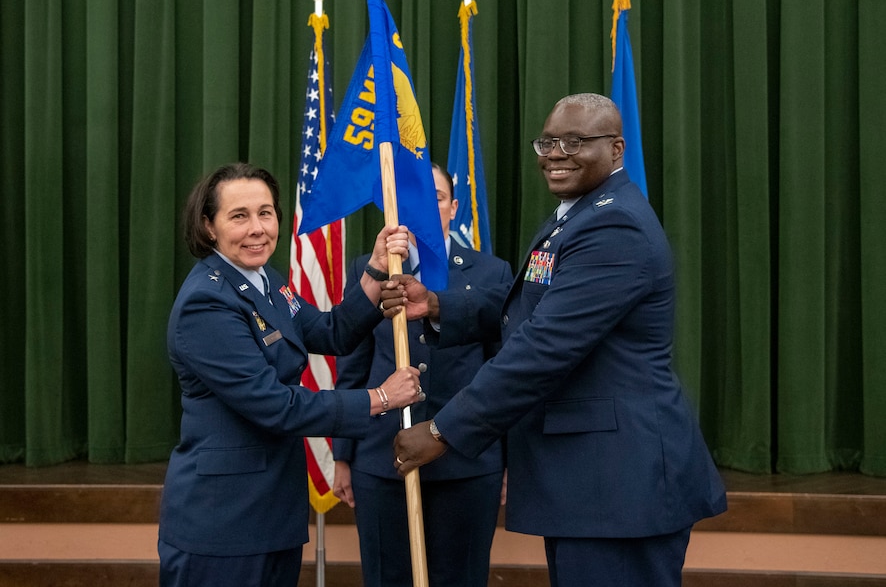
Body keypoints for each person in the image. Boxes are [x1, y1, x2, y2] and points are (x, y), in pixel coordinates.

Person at [389, 94, 727, 587]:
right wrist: (439, 306)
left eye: (575, 141)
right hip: (594, 485)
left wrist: (444, 431)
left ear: (616, 149)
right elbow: (532, 305)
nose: (555, 153)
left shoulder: (614, 225)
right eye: (547, 141)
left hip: (617, 486)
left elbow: (545, 346)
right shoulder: (580, 212)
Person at [158, 162, 423, 587]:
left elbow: (330, 332)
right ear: (209, 227)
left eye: (265, 212)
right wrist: (381, 398)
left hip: (271, 514)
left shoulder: (266, 280)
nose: (257, 228)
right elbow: (275, 405)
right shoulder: (205, 303)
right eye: (239, 216)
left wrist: (374, 269)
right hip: (223, 522)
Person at [331, 163, 513, 587]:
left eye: (436, 196)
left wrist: (508, 461)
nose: (427, 206)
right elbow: (351, 367)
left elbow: (504, 372)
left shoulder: (492, 272)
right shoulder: (369, 269)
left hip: (467, 461)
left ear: (453, 207)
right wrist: (342, 456)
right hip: (381, 460)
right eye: (414, 196)